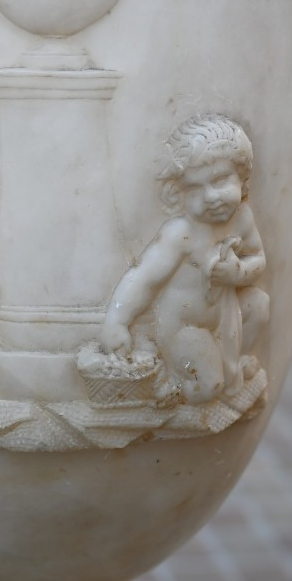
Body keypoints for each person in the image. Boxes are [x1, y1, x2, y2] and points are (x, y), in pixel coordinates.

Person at [100, 113, 269, 404]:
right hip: (186, 327)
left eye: (220, 180)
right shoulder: (181, 233)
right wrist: (117, 321)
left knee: (259, 303)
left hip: (226, 316)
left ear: (242, 178)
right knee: (209, 388)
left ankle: (234, 362)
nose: (211, 196)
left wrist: (238, 273)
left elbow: (258, 258)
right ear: (178, 193)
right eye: (194, 188)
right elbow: (144, 278)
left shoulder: (242, 218)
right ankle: (172, 387)